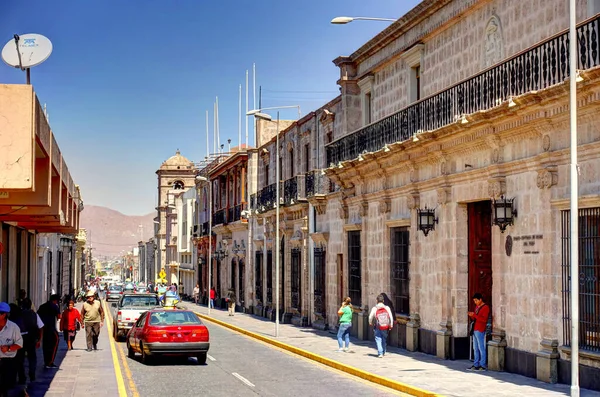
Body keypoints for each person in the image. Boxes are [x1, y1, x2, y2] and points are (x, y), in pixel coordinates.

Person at [17, 298, 43, 383]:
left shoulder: (18, 314)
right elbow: (41, 327)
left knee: (20, 358)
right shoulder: (34, 315)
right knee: (32, 357)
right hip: (31, 338)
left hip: (20, 338)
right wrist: (39, 339)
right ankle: (32, 374)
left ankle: (22, 377)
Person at [0, 301, 23, 397]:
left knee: (6, 386)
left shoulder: (13, 327)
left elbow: (19, 344)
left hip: (8, 361)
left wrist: (8, 348)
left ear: (5, 315)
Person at [37, 294, 61, 368]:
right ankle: (50, 362)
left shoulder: (42, 306)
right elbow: (59, 316)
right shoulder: (54, 306)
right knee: (55, 343)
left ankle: (46, 362)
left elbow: (37, 315)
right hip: (51, 328)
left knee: (45, 345)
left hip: (43, 328)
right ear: (55, 300)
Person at [468, 292, 491, 371]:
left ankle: (483, 364)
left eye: (476, 300)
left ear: (480, 299)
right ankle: (476, 364)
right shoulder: (477, 307)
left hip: (480, 329)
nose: (475, 302)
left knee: (481, 347)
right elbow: (476, 319)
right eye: (474, 301)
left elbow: (483, 320)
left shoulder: (486, 308)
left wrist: (474, 315)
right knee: (475, 348)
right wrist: (472, 316)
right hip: (475, 329)